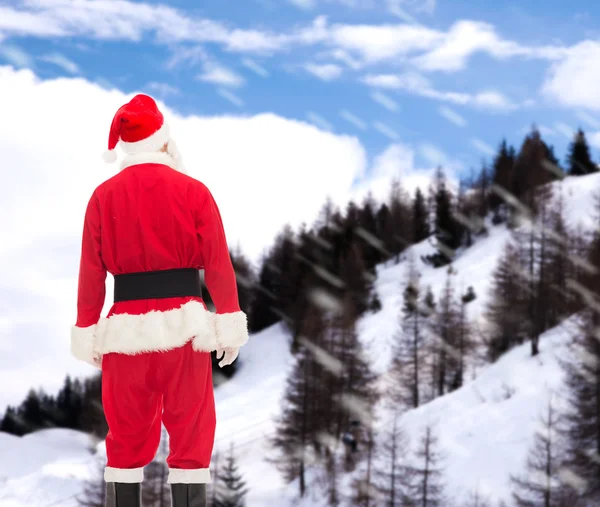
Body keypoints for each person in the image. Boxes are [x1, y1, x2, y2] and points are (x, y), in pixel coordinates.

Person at [70, 94, 249, 507]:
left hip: (123, 332)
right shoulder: (193, 191)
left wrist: (88, 331)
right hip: (184, 329)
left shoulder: (103, 196)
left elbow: (91, 273)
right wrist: (227, 324)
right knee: (191, 434)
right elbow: (218, 264)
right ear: (164, 142)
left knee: (125, 441)